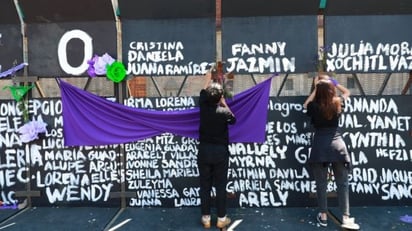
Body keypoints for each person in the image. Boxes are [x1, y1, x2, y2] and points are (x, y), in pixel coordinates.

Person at [303, 75, 360, 230]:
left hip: (320, 146)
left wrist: (316, 88)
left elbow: (305, 104)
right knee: (342, 183)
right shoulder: (337, 103)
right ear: (331, 90)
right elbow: (347, 92)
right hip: (338, 146)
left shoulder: (313, 106)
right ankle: (346, 217)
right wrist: (334, 83)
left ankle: (323, 216)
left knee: (321, 184)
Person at [198, 71, 236, 229]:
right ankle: (221, 218)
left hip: (204, 151)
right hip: (220, 153)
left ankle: (206, 218)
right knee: (220, 186)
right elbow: (233, 120)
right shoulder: (223, 112)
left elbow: (202, 90)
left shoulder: (203, 107)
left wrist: (208, 77)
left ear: (207, 97)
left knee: (205, 185)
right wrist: (224, 103)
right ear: (220, 98)